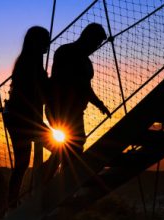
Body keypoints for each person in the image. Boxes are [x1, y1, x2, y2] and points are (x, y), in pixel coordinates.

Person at [3, 26, 50, 208]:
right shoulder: (30, 63)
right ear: (36, 42)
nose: (48, 45)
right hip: (23, 118)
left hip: (16, 116)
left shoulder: (26, 61)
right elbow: (34, 91)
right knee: (61, 149)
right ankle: (43, 182)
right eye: (45, 41)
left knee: (22, 164)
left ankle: (12, 203)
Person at [47, 23, 111, 157]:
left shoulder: (70, 54)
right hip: (62, 110)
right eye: (97, 43)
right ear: (89, 38)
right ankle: (58, 175)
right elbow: (74, 84)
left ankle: (49, 174)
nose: (97, 47)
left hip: (72, 111)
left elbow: (85, 88)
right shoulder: (68, 53)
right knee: (75, 146)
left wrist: (99, 104)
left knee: (69, 149)